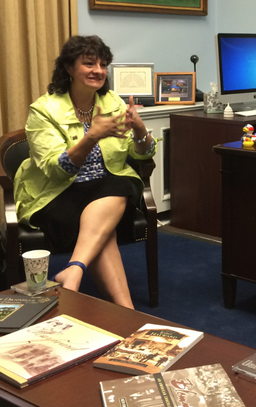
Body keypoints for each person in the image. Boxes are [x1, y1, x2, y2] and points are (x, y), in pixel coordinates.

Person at [14, 35, 157, 310]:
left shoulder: (112, 102)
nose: (98, 70)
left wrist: (140, 130)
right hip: (58, 196)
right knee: (107, 221)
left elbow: (142, 154)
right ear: (69, 67)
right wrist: (91, 137)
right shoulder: (43, 110)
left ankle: (76, 271)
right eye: (89, 63)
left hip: (105, 195)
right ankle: (126, 310)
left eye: (103, 64)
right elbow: (55, 171)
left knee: (118, 185)